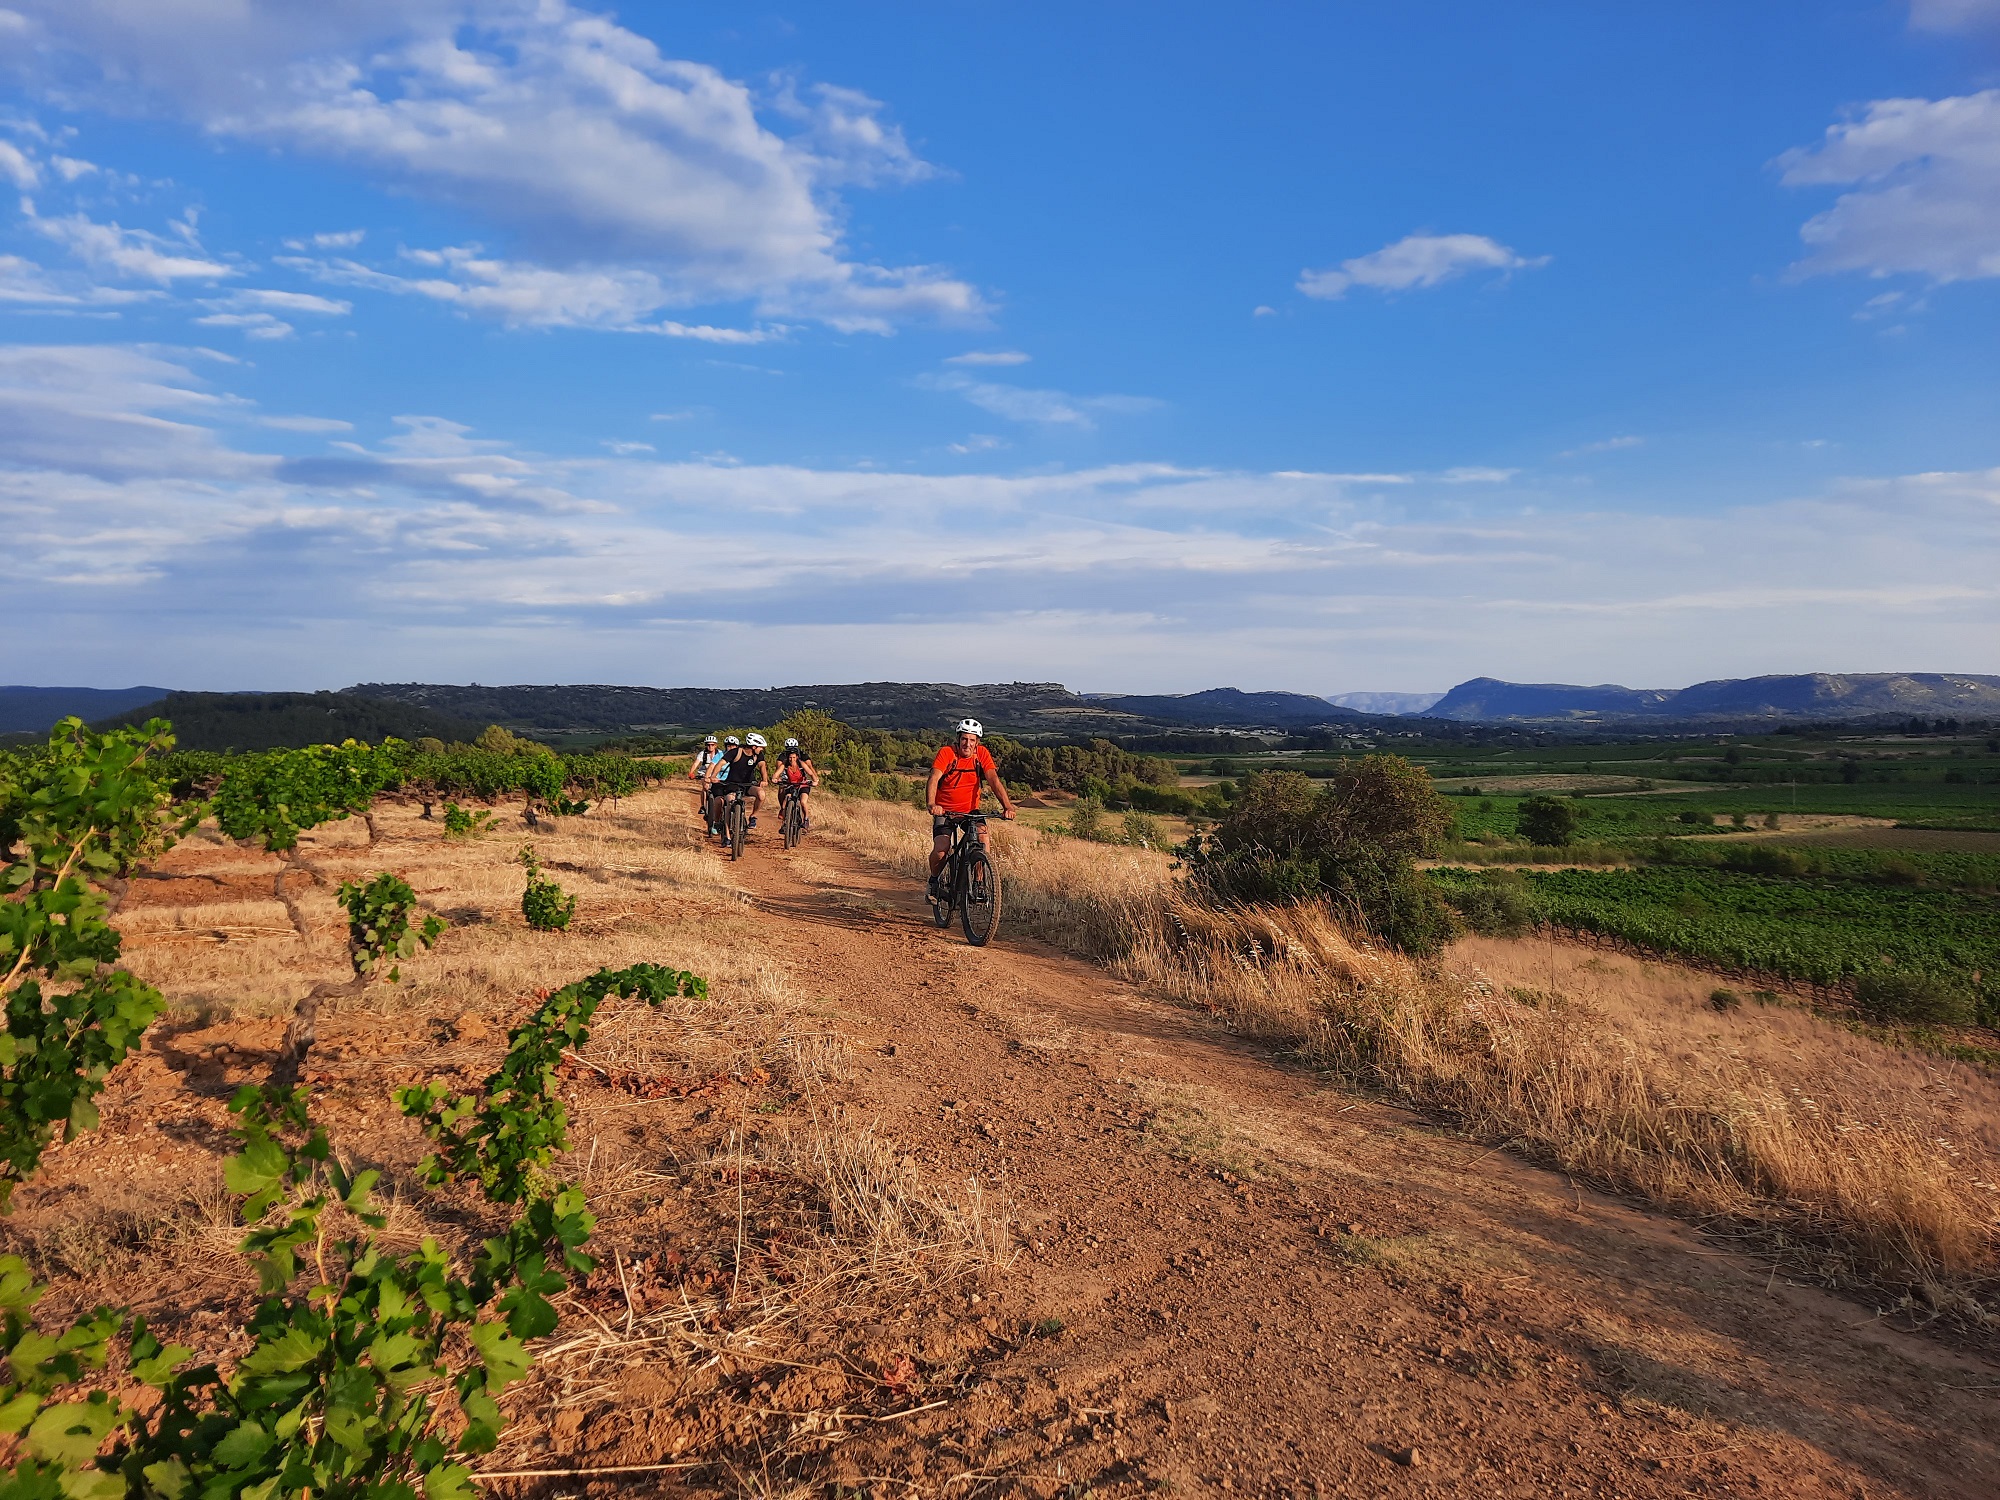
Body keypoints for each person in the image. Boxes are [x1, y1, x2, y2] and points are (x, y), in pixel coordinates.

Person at [925, 718, 1015, 897]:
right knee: (942, 849)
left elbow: (993, 780)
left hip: (970, 811)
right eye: (964, 739)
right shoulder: (947, 753)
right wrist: (932, 804)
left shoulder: (981, 755)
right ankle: (934, 880)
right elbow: (934, 778)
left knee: (983, 839)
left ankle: (979, 883)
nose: (968, 743)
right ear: (958, 739)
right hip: (946, 810)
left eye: (972, 740)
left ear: (977, 742)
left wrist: (1007, 806)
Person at [772, 736, 817, 829]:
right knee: (785, 802)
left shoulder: (802, 762)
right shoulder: (784, 762)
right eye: (790, 757)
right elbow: (777, 772)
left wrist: (815, 780)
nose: (791, 759)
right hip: (791, 784)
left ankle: (806, 819)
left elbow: (810, 771)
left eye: (793, 757)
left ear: (796, 757)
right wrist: (775, 779)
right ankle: (785, 823)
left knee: (803, 802)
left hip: (802, 784)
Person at [702, 734, 742, 836]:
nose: (730, 747)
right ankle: (716, 821)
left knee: (734, 799)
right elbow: (712, 766)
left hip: (732, 782)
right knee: (719, 800)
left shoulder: (739, 757)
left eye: (733, 746)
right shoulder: (720, 755)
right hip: (719, 781)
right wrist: (708, 778)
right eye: (728, 745)